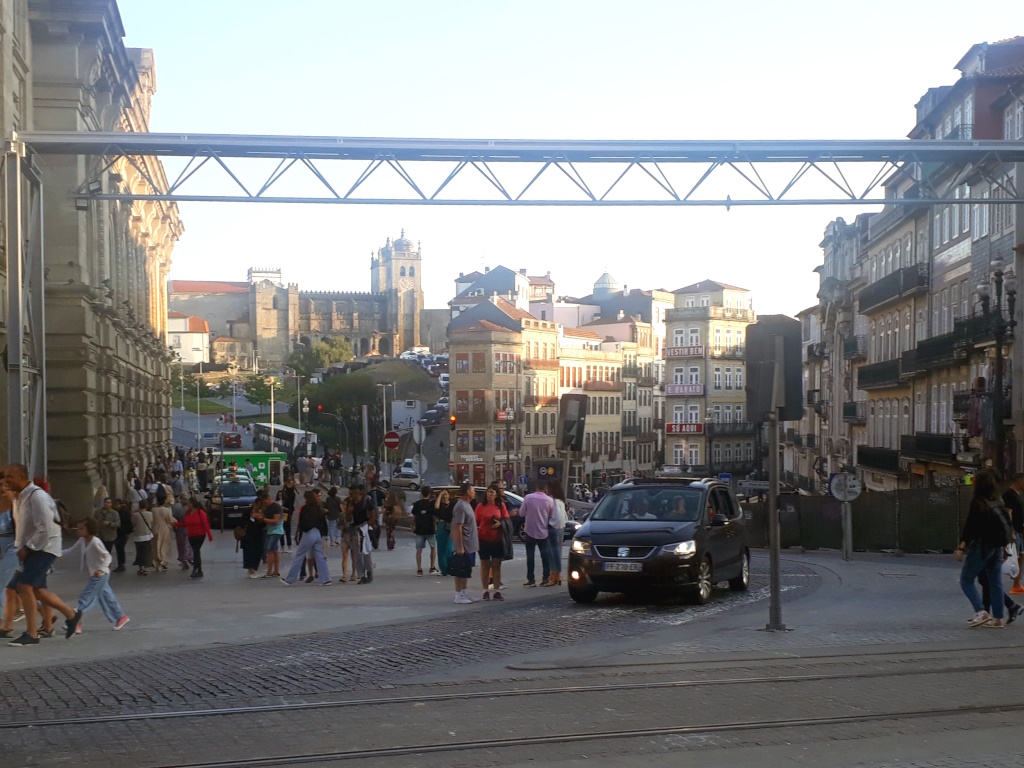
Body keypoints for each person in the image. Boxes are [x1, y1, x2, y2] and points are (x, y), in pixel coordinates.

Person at [2, 463, 83, 646]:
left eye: (10, 476)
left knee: (24, 587)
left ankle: (32, 634)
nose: (6, 480)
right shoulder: (18, 498)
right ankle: (71, 614)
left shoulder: (37, 496)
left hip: (44, 548)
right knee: (35, 590)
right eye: (5, 476)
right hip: (31, 548)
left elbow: (45, 529)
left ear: (22, 477)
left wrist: (27, 549)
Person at [956, 470, 1011, 628]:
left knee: (966, 579)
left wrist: (961, 547)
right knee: (995, 582)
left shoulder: (978, 502)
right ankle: (999, 618)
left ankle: (981, 611)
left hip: (983, 545)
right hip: (998, 546)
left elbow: (970, 527)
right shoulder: (998, 501)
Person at [61, 518, 129, 632]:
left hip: (100, 575)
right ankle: (121, 616)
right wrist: (55, 553)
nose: (78, 531)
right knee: (107, 597)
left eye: (81, 528)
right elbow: (71, 550)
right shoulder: (82, 541)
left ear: (89, 529)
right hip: (95, 574)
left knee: (86, 597)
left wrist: (101, 569)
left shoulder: (96, 541)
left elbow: (107, 556)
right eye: (78, 528)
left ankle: (76, 621)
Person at [282, 490, 330, 586]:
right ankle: (325, 579)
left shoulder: (305, 508)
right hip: (317, 533)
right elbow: (322, 522)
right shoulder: (318, 508)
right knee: (320, 557)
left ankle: (290, 578)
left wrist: (301, 532)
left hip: (309, 533)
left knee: (299, 555)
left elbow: (302, 522)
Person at [474, 485, 508, 602]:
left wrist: (500, 524)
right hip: (483, 538)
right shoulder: (480, 506)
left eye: (492, 492)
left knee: (496, 565)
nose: (490, 494)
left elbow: (506, 519)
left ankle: (497, 591)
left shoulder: (500, 506)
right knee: (485, 565)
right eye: (488, 492)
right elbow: (476, 521)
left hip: (497, 539)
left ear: (497, 494)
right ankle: (485, 591)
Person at [520, 480, 554, 588]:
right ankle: (545, 578)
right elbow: (551, 515)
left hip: (530, 531)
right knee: (545, 556)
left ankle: (531, 580)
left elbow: (521, 513)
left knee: (530, 556)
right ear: (545, 489)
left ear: (536, 488)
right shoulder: (550, 500)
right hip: (543, 531)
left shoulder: (528, 498)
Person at [450, 482, 479, 604]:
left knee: (466, 569)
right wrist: (460, 546)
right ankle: (458, 594)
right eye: (473, 490)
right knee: (460, 569)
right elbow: (458, 527)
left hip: (470, 543)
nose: (474, 492)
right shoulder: (461, 506)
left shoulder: (468, 505)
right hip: (464, 544)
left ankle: (464, 592)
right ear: (468, 492)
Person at [176, 497, 212, 579]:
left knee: (196, 551)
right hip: (191, 535)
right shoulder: (188, 513)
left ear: (192, 504)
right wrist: (175, 524)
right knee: (196, 552)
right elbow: (185, 524)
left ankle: (196, 569)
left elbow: (205, 524)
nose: (187, 505)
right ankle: (199, 570)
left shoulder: (200, 512)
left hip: (200, 535)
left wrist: (209, 535)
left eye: (188, 503)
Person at [347, 484, 375, 584]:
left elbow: (372, 515)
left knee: (366, 552)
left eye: (352, 493)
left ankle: (369, 572)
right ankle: (361, 575)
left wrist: (367, 526)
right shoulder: (351, 502)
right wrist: (349, 512)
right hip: (355, 528)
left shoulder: (366, 501)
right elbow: (348, 518)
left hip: (364, 526)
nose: (350, 495)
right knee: (357, 553)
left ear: (358, 492)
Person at [1003, 472, 1024, 595]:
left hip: (1019, 531)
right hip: (1014, 532)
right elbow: (1008, 514)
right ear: (1019, 481)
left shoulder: (1018, 495)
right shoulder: (1009, 495)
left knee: (1020, 556)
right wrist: (1011, 532)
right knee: (1012, 556)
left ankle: (1016, 584)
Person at [410, 486, 439, 576]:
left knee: (419, 549)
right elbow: (434, 516)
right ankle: (432, 567)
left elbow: (414, 516)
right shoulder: (432, 504)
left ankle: (419, 569)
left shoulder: (417, 504)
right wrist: (435, 526)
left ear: (421, 493)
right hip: (430, 528)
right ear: (429, 494)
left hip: (419, 529)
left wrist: (413, 525)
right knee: (433, 548)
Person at [544, 480, 568, 587]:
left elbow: (556, 516)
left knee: (552, 552)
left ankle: (554, 575)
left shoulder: (553, 501)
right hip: (560, 527)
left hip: (553, 527)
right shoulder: (560, 501)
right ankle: (556, 574)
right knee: (556, 551)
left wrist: (549, 523)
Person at [241, 494, 267, 579]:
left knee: (257, 552)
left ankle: (253, 568)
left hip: (258, 535)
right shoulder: (248, 511)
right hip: (248, 535)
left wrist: (261, 520)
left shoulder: (262, 512)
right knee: (249, 552)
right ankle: (250, 569)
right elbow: (242, 523)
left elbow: (263, 525)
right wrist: (251, 518)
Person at [261, 493, 285, 579]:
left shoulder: (276, 507)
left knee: (270, 550)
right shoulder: (268, 507)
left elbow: (275, 521)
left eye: (264, 502)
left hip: (276, 530)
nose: (264, 504)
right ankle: (276, 571)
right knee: (274, 550)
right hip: (270, 531)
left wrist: (263, 519)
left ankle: (269, 571)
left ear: (268, 499)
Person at [151, 495, 175, 572]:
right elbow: (170, 520)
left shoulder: (153, 510)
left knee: (155, 545)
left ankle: (157, 562)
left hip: (155, 528)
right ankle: (163, 561)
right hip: (164, 528)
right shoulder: (167, 510)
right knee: (164, 545)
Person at [433, 488, 454, 576]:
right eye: (443, 495)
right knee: (441, 548)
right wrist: (440, 495)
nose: (445, 496)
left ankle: (451, 567)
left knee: (449, 548)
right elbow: (436, 507)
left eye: (446, 494)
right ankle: (443, 569)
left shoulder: (453, 503)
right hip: (441, 525)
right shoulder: (440, 504)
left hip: (451, 525)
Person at [132, 500, 155, 576]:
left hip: (138, 536)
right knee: (146, 552)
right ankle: (144, 567)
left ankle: (140, 567)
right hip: (147, 535)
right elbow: (151, 523)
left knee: (139, 552)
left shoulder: (135, 515)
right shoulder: (150, 514)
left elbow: (133, 524)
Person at [171, 495, 193, 570]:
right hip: (189, 529)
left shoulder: (176, 508)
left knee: (181, 546)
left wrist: (174, 527)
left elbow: (173, 518)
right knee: (188, 545)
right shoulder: (190, 510)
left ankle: (183, 560)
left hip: (180, 529)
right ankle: (189, 557)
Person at [281, 477, 297, 553]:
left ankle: (287, 545)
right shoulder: (285, 490)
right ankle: (284, 545)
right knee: (284, 529)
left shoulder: (291, 490)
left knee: (287, 528)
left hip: (288, 511)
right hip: (285, 511)